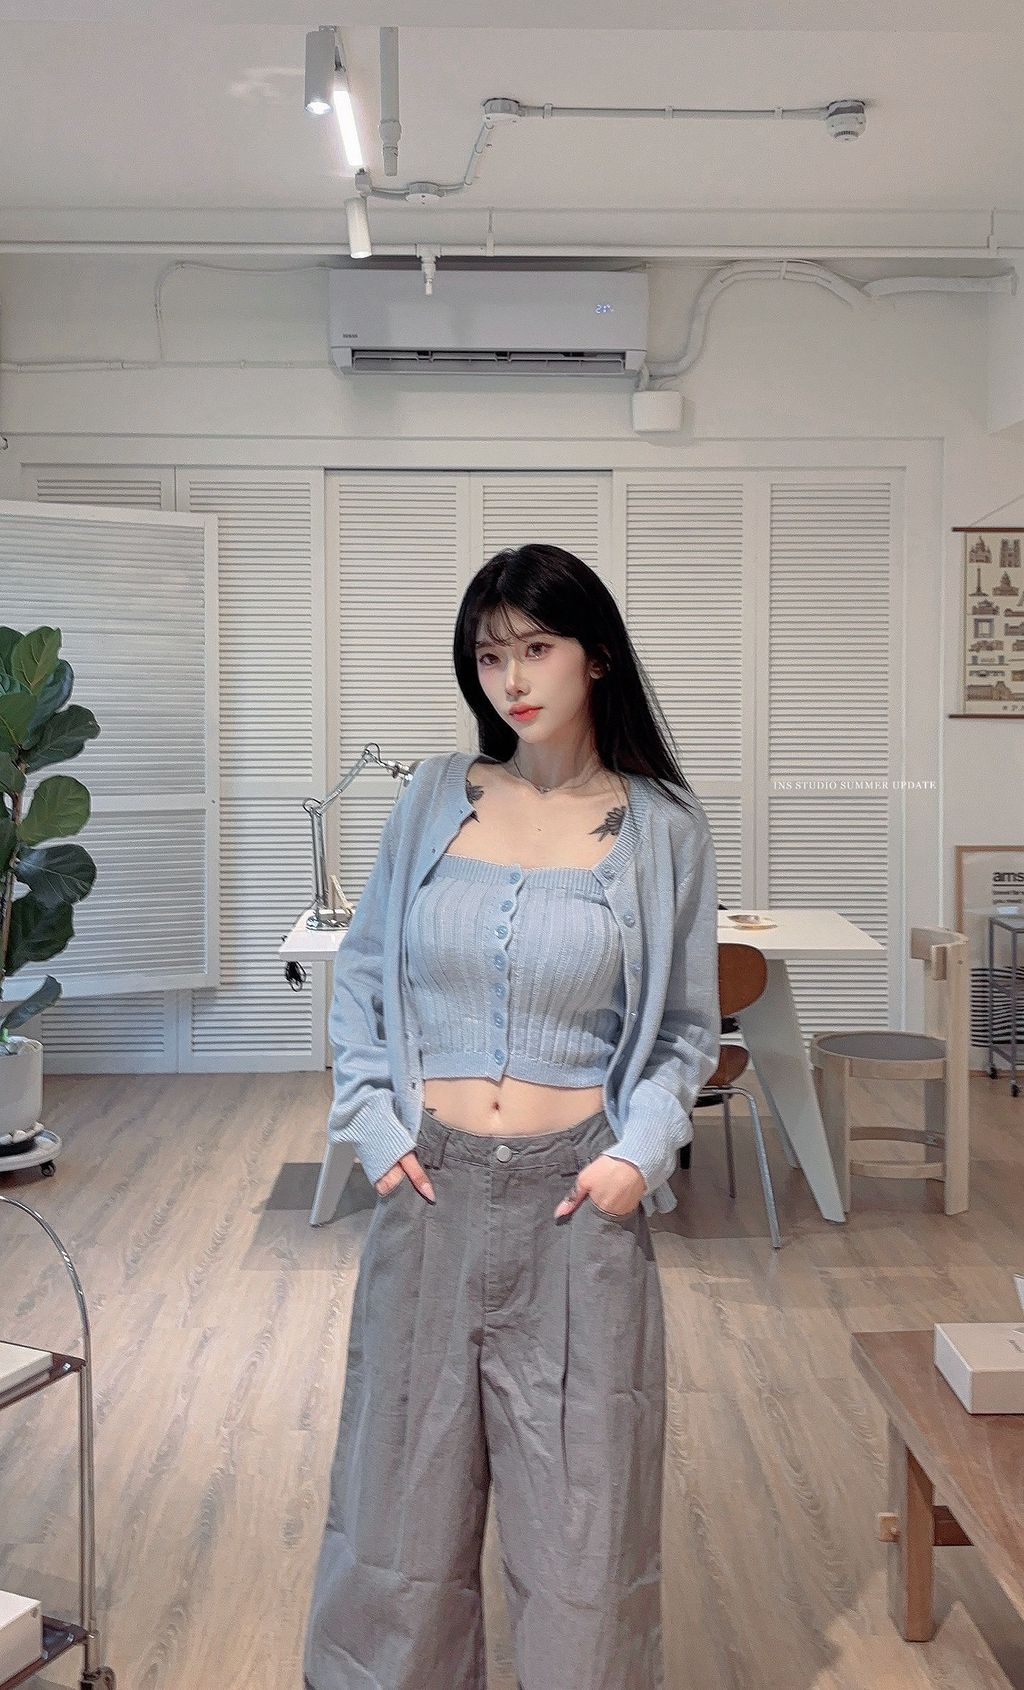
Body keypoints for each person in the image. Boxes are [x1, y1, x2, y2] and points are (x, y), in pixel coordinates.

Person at [303, 543, 721, 1690]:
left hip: (578, 1203)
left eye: (536, 647)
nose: (513, 678)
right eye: (490, 656)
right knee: (396, 1509)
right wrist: (374, 1127)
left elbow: (686, 1027)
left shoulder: (663, 828)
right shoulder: (434, 797)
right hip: (429, 1186)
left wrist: (639, 1153)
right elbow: (364, 978)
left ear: (596, 655)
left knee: (584, 1522)